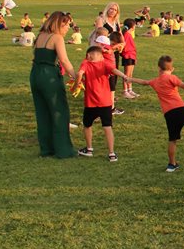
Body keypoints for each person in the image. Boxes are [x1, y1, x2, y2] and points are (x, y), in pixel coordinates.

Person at [123, 55, 184, 172]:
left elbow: (144, 82)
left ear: (159, 68)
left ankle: (171, 164)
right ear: (172, 69)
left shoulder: (155, 81)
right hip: (180, 108)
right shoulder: (172, 78)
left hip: (169, 114)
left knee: (172, 139)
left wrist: (130, 79)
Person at [30, 12, 77, 158]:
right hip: (49, 75)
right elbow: (64, 60)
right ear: (59, 24)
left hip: (35, 74)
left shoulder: (40, 36)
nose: (68, 28)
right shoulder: (57, 38)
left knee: (42, 113)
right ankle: (63, 150)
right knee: (59, 112)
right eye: (67, 25)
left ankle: (46, 149)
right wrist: (77, 77)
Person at [74, 45, 119, 162]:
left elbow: (79, 74)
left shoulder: (86, 63)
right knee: (107, 126)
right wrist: (124, 76)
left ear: (88, 55)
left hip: (91, 103)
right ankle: (111, 153)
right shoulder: (105, 64)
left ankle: (89, 149)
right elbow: (114, 70)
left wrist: (76, 85)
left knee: (87, 125)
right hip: (106, 102)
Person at [120, 18, 139, 99]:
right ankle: (125, 91)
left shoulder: (129, 34)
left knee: (130, 75)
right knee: (126, 75)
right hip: (128, 56)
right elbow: (125, 46)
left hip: (131, 56)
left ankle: (130, 89)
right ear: (132, 26)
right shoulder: (127, 35)